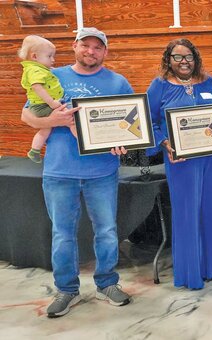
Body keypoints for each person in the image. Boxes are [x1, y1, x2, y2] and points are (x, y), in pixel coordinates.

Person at [20, 27, 132, 318]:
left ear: (105, 52)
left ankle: (107, 283)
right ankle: (66, 290)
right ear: (75, 46)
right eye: (85, 46)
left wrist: (124, 143)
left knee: (107, 232)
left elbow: (131, 123)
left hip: (103, 171)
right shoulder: (51, 76)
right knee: (62, 235)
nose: (90, 52)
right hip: (59, 171)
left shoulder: (118, 82)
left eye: (97, 47)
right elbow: (27, 115)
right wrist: (55, 119)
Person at [147, 38, 212, 290]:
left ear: (195, 58)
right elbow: (149, 121)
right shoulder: (160, 86)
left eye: (188, 56)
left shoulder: (209, 82)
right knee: (187, 214)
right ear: (169, 60)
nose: (184, 61)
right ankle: (191, 273)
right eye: (177, 57)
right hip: (181, 161)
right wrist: (164, 142)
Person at [19, 35, 65, 163]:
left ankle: (34, 150)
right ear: (34, 57)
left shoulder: (37, 69)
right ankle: (87, 143)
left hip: (41, 106)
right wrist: (52, 103)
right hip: (43, 106)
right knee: (70, 119)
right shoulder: (35, 71)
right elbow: (37, 88)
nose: (53, 60)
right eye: (49, 56)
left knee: (46, 128)